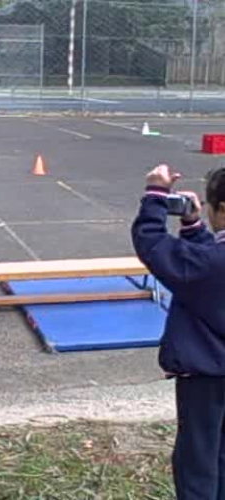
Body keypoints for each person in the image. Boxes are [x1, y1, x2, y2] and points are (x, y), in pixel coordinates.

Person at [132, 164, 225, 499]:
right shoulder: (209, 261)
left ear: (222, 210)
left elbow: (152, 244)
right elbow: (205, 261)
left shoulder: (207, 264)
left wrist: (155, 195)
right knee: (221, 455)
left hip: (205, 378)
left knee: (197, 460)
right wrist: (194, 226)